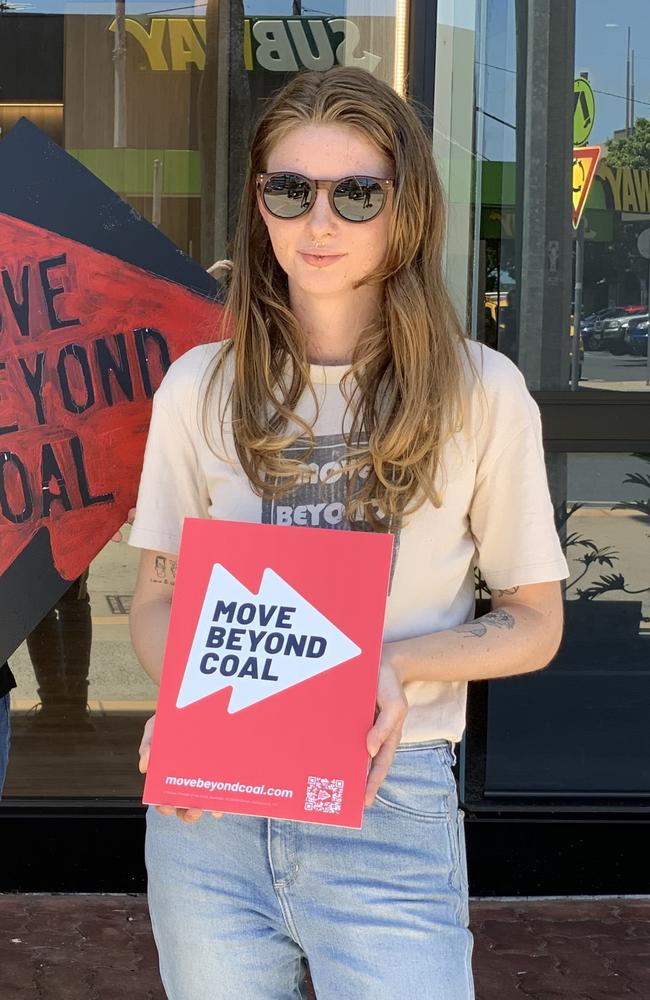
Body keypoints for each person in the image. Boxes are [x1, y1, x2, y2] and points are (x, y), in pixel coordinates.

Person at [128, 67, 569, 1000]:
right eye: (290, 191)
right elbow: (162, 593)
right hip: (212, 818)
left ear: (403, 208)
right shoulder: (197, 388)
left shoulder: (481, 392)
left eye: (357, 193)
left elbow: (534, 619)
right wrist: (187, 707)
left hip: (388, 792)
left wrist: (391, 664)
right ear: (260, 206)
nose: (318, 223)